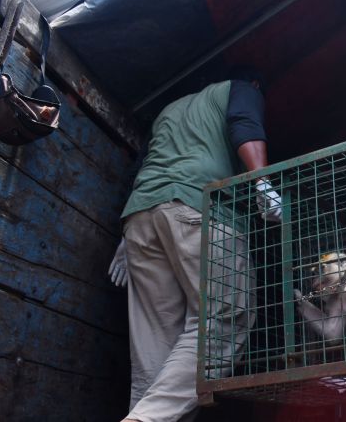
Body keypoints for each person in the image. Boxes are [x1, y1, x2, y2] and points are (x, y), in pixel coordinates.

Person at [108, 66, 282, 422]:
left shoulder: (168, 112)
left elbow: (142, 166)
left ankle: (142, 415)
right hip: (199, 210)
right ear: (254, 82)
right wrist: (262, 182)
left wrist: (123, 240)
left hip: (140, 220)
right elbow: (244, 124)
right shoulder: (242, 89)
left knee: (156, 348)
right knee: (226, 320)